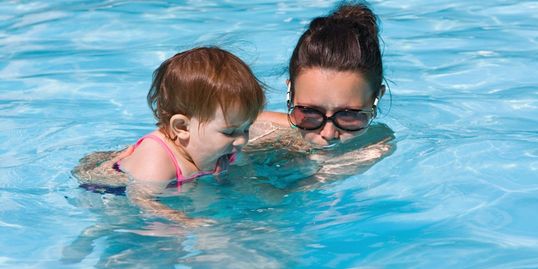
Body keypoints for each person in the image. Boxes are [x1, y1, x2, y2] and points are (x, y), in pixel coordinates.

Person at [73, 47, 265, 226]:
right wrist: (182, 220)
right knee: (149, 232)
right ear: (182, 127)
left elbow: (245, 175)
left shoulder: (225, 148)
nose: (242, 139)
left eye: (246, 129)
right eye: (229, 132)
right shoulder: (158, 159)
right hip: (113, 192)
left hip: (170, 191)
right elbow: (140, 199)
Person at [246, 2, 395, 188]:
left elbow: (298, 195)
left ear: (377, 98)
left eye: (349, 116)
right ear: (290, 95)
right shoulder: (249, 130)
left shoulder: (375, 146)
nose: (328, 134)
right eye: (309, 113)